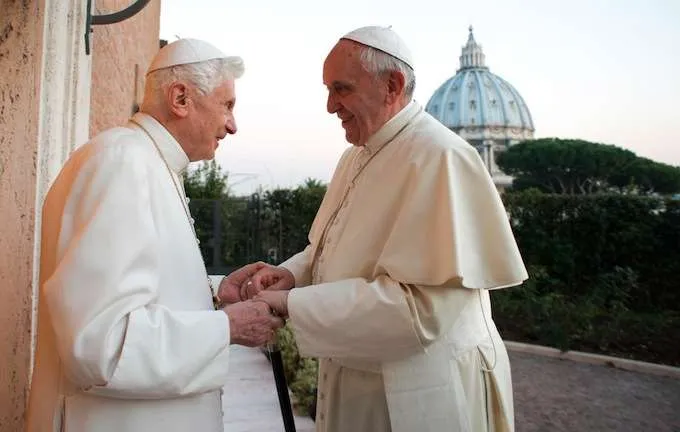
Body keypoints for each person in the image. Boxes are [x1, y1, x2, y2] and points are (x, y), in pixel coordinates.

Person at [229, 26, 529, 432]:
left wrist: (289, 304)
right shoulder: (355, 157)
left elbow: (419, 310)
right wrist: (292, 275)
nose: (330, 105)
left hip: (419, 391)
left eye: (342, 89)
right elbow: (331, 247)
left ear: (392, 85)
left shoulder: (441, 158)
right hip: (359, 380)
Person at [27, 38, 284, 432]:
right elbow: (101, 345)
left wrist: (214, 296)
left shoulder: (146, 162)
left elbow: (142, 292)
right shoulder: (123, 162)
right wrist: (227, 326)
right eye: (227, 105)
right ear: (180, 97)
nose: (233, 125)